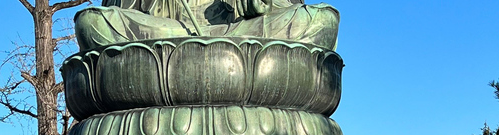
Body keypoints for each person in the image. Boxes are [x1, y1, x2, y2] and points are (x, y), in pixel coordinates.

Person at [75, 0, 340, 51]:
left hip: (240, 33)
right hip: (167, 32)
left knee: (320, 20)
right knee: (94, 22)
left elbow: (284, 7)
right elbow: (121, 9)